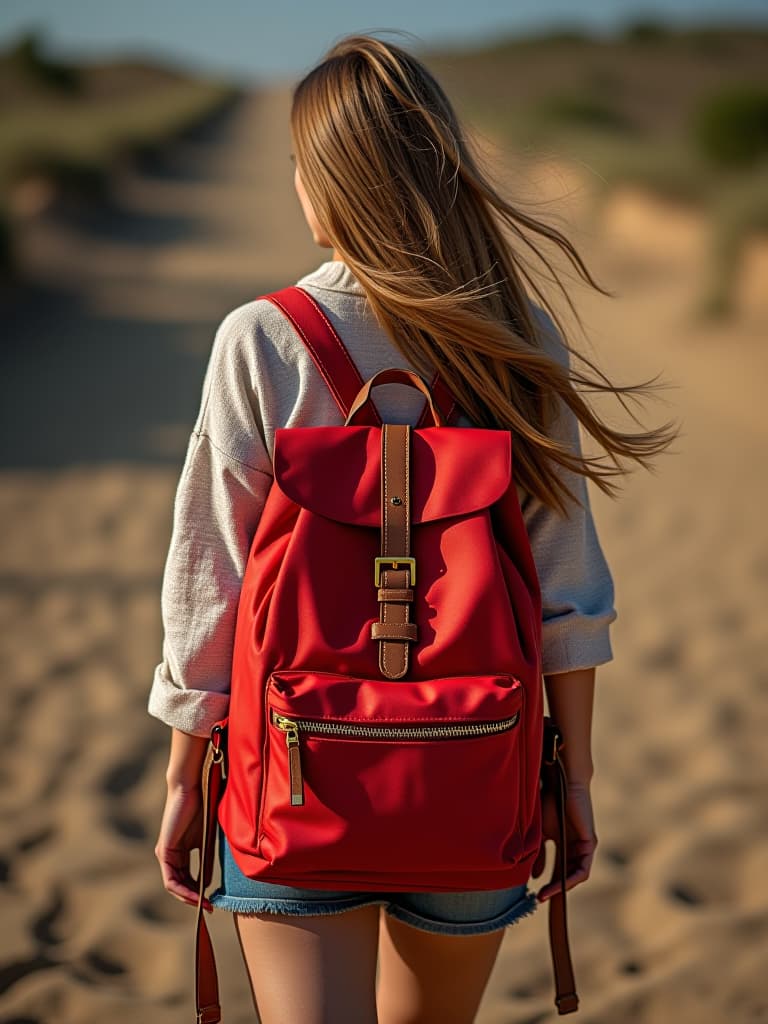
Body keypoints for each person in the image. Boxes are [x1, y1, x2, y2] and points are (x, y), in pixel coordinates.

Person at [149, 33, 673, 1024]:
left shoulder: (262, 339)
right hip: (477, 769)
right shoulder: (514, 338)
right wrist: (576, 777)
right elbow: (567, 590)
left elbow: (206, 575)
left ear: (329, 185)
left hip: (293, 777)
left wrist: (187, 771)